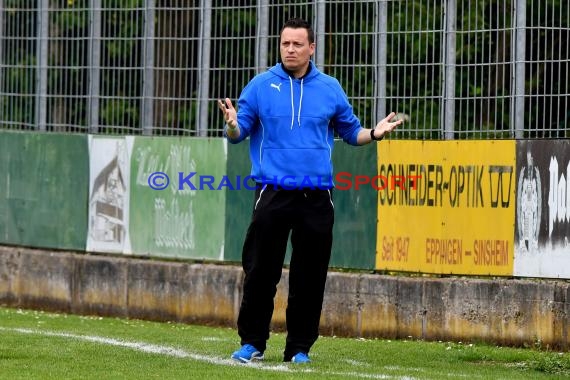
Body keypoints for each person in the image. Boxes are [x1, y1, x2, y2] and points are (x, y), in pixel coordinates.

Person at [217, 17, 402, 364]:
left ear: (311, 48)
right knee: (260, 271)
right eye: (285, 43)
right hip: (272, 193)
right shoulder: (259, 86)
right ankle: (252, 342)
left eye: (297, 44)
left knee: (309, 277)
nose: (290, 49)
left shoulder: (330, 88)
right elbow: (238, 132)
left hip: (317, 197)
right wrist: (231, 125)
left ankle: (299, 348)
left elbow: (351, 133)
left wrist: (374, 133)